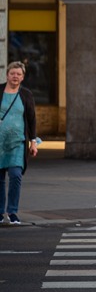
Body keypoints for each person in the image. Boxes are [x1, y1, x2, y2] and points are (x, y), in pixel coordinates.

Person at [1, 62, 38, 225]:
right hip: (0, 144)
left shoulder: (26, 94)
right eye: (12, 73)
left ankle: (13, 212)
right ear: (7, 75)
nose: (15, 76)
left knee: (16, 176)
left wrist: (33, 142)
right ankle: (0, 212)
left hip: (18, 143)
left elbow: (31, 119)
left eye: (18, 74)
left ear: (22, 77)